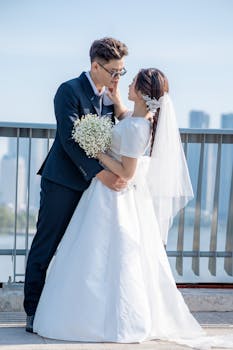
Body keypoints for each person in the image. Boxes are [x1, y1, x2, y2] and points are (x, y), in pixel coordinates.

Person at [33, 68, 233, 349]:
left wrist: (97, 153)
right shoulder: (141, 118)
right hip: (109, 196)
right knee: (104, 255)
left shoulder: (140, 126)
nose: (125, 83)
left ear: (141, 92)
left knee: (105, 254)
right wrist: (116, 103)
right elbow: (128, 120)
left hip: (114, 193)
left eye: (132, 82)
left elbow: (126, 172)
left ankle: (104, 319)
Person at [24, 37, 129, 333]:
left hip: (95, 192)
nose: (118, 77)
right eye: (113, 71)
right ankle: (33, 310)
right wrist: (101, 174)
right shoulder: (68, 90)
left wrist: (117, 99)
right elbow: (70, 140)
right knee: (47, 245)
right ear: (95, 65)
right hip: (63, 182)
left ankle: (70, 313)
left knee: (82, 252)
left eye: (122, 71)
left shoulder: (110, 96)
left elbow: (122, 131)